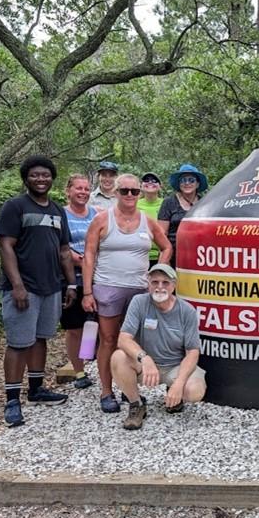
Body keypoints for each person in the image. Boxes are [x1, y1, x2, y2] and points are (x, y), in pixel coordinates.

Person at [0, 155, 76, 427]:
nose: (41, 179)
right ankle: (12, 400)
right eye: (35, 175)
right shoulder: (15, 206)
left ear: (52, 178)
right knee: (19, 343)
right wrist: (17, 285)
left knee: (41, 338)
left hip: (51, 286)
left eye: (45, 175)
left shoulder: (57, 211)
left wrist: (70, 284)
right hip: (24, 288)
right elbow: (6, 246)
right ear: (26, 179)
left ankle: (36, 389)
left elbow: (64, 250)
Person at [83, 174, 172, 413]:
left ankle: (128, 387)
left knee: (133, 341)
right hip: (108, 287)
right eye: (125, 191)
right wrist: (87, 292)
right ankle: (106, 391)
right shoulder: (102, 219)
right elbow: (89, 254)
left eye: (134, 191)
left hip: (139, 290)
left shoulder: (147, 221)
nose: (130, 195)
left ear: (140, 193)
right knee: (108, 339)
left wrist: (157, 273)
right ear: (116, 193)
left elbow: (166, 247)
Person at [111, 264, 206, 430]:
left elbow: (192, 352)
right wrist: (144, 358)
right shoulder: (139, 302)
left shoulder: (187, 311)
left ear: (174, 286)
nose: (160, 287)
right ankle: (136, 404)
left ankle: (174, 394)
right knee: (118, 357)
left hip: (174, 366)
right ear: (148, 284)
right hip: (145, 366)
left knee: (195, 391)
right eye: (155, 282)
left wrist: (179, 383)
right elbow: (123, 339)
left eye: (165, 282)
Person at [60, 174, 97, 389]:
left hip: (96, 277)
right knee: (74, 327)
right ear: (68, 191)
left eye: (86, 189)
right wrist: (84, 262)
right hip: (72, 279)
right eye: (78, 188)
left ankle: (88, 359)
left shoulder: (96, 214)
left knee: (92, 323)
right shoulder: (61, 215)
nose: (83, 192)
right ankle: (79, 371)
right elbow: (62, 247)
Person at [158, 164, 208, 265]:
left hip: (199, 256)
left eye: (191, 180)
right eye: (183, 180)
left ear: (197, 184)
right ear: (179, 184)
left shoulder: (204, 202)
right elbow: (161, 234)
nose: (187, 183)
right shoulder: (169, 202)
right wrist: (164, 259)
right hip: (173, 256)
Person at [137, 172, 164, 267]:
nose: (150, 182)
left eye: (154, 181)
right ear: (141, 186)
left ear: (160, 186)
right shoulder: (134, 204)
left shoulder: (166, 204)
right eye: (146, 180)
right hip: (138, 255)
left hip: (160, 255)